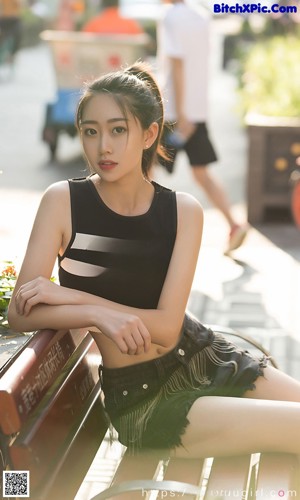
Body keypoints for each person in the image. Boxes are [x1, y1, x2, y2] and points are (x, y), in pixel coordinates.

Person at [7, 62, 300, 463]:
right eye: (90, 132)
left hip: (207, 357)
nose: (102, 147)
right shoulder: (63, 203)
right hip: (146, 400)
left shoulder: (183, 211)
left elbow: (164, 327)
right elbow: (21, 314)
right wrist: (96, 314)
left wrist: (81, 303)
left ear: (149, 134)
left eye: (118, 130)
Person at [156, 0, 248, 254]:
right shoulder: (202, 16)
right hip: (196, 111)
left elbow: (177, 64)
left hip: (174, 111)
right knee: (202, 173)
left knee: (146, 166)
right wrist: (193, 112)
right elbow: (204, 66)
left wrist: (182, 114)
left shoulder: (170, 17)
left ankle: (136, 229)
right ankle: (234, 225)